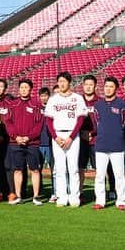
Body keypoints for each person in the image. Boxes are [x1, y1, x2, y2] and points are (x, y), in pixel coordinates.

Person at [44, 71, 88, 208]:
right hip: (57, 136)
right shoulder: (53, 99)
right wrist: (55, 137)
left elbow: (80, 119)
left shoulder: (77, 98)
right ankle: (62, 197)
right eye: (60, 81)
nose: (62, 83)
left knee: (73, 167)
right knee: (60, 168)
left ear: (70, 82)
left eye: (64, 81)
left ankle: (74, 197)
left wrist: (71, 137)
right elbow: (49, 121)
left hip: (73, 136)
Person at [1, 78, 45, 205]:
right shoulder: (12, 104)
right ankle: (18, 196)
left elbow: (39, 124)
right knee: (17, 170)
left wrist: (28, 137)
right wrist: (16, 137)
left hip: (32, 144)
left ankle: (36, 196)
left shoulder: (36, 105)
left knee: (35, 170)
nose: (24, 90)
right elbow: (8, 122)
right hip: (15, 143)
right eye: (22, 87)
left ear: (31, 89)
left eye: (26, 87)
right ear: (18, 89)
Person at [92, 77, 125, 210]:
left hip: (117, 145)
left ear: (116, 88)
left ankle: (121, 201)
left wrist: (118, 132)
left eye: (111, 86)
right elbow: (96, 123)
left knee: (119, 175)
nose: (108, 89)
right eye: (106, 86)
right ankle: (100, 201)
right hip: (101, 145)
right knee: (99, 175)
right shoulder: (97, 105)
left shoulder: (122, 105)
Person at [78, 74, 99, 197]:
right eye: (86, 84)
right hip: (80, 140)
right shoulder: (77, 101)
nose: (88, 87)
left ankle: (99, 194)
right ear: (83, 86)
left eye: (91, 84)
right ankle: (79, 193)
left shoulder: (100, 102)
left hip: (96, 140)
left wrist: (93, 132)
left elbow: (103, 121)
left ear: (95, 86)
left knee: (99, 170)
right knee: (80, 168)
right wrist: (81, 132)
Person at [37, 87, 56, 201]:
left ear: (49, 96)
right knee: (37, 169)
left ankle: (54, 192)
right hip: (38, 143)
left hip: (50, 144)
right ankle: (38, 191)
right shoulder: (37, 108)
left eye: (46, 95)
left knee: (54, 169)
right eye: (42, 95)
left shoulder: (53, 108)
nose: (44, 97)